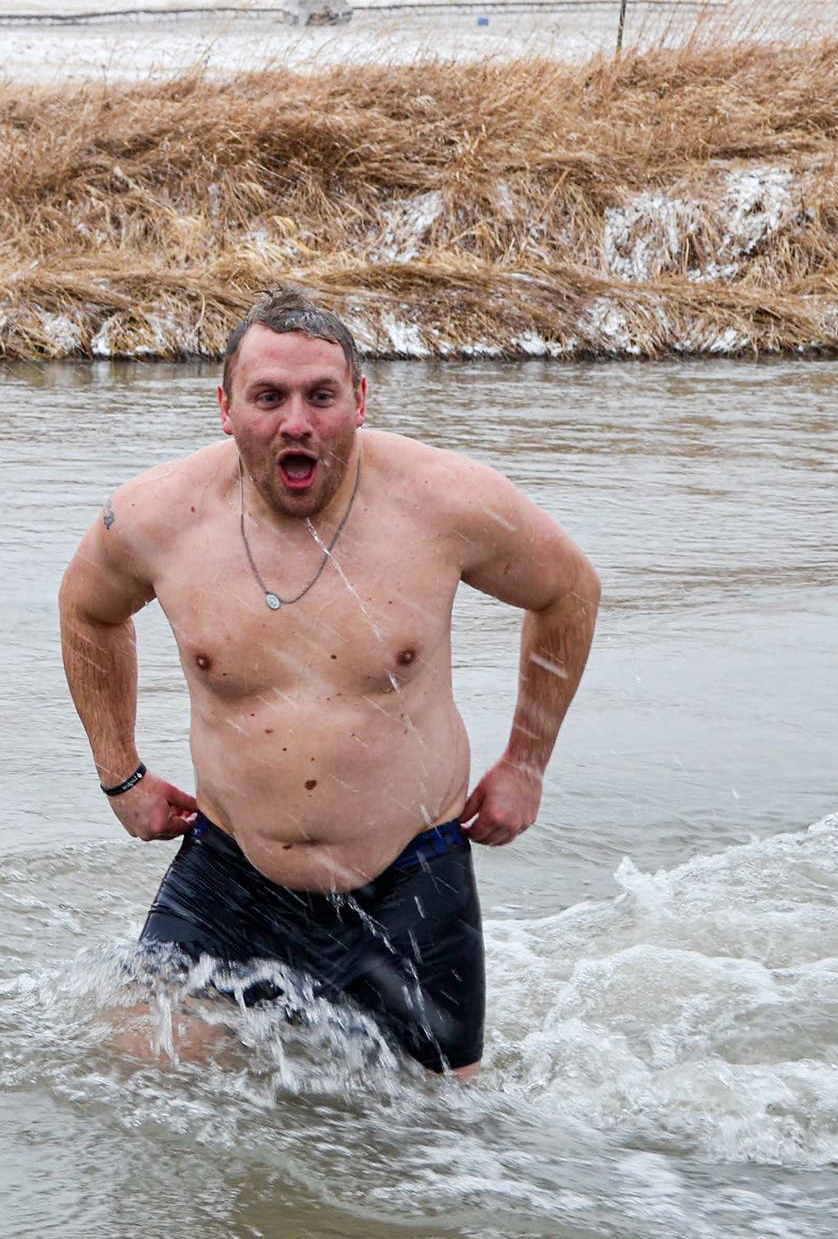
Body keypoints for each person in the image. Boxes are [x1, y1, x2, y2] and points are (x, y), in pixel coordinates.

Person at [56, 286, 600, 1077]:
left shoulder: (445, 503)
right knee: (140, 1074)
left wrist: (527, 762)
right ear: (226, 406)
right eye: (268, 398)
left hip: (409, 878)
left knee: (447, 1138)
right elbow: (86, 610)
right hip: (232, 873)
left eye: (321, 396)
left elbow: (569, 591)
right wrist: (120, 773)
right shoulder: (157, 518)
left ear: (360, 400)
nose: (296, 423)